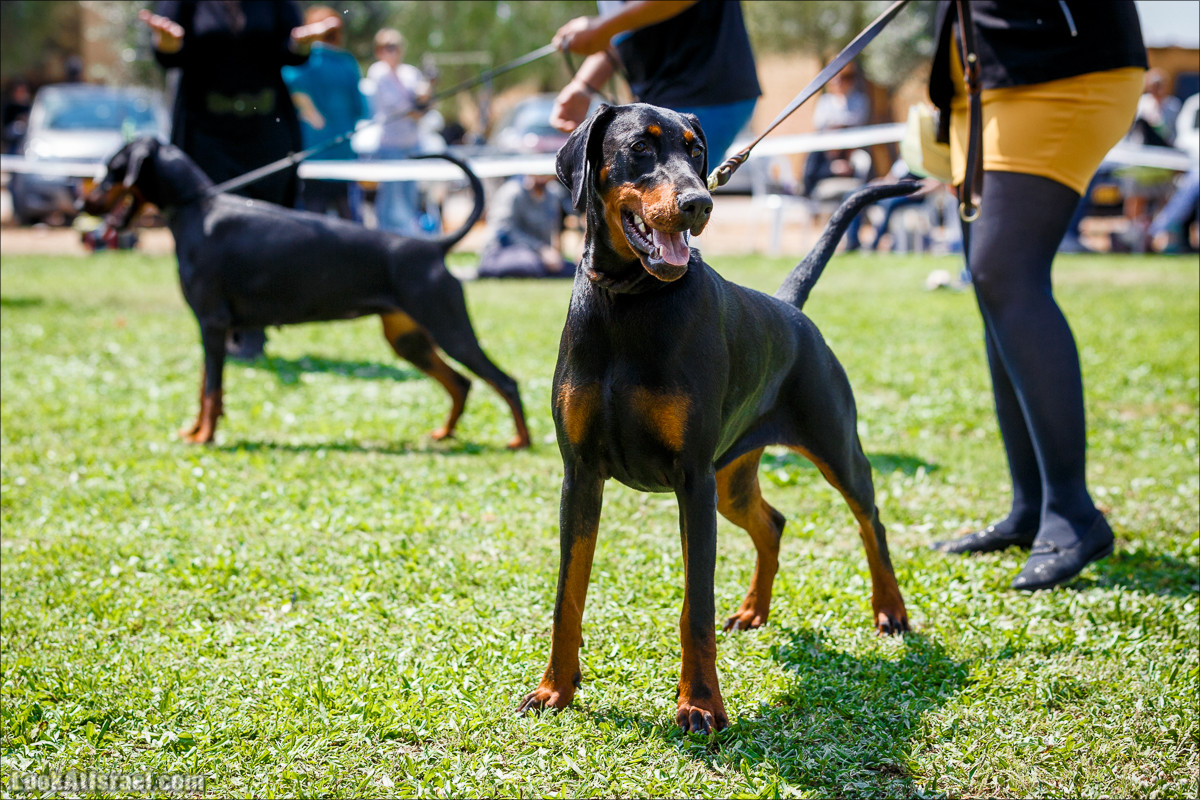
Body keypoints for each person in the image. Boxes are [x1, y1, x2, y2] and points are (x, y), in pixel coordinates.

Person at [928, 1, 1147, 590]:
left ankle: (1074, 513)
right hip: (980, 82)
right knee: (992, 286)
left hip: (1059, 67)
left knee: (1004, 272)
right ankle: (1032, 506)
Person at [140, 1, 336, 359]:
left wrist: (301, 45)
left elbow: (290, 55)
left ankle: (254, 328)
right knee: (215, 232)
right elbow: (168, 57)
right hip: (207, 133)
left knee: (266, 230)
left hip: (266, 131)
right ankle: (222, 321)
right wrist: (169, 46)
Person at [550, 0, 760, 166]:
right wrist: (583, 86)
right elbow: (627, 31)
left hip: (704, 90)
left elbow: (616, 26)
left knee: (669, 205)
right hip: (671, 94)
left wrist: (603, 27)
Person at [281, 5, 368, 221]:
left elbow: (284, 86)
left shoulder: (299, 62)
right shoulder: (348, 63)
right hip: (343, 154)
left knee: (313, 217)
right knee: (347, 215)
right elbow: (360, 109)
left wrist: (308, 111)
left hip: (310, 154)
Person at [366, 28, 430, 237]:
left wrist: (425, 96)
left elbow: (423, 105)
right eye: (386, 47)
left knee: (410, 197)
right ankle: (386, 241)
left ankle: (409, 240)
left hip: (413, 144)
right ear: (378, 50)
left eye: (395, 46)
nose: (391, 51)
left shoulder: (411, 73)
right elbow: (399, 107)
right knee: (391, 200)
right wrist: (417, 107)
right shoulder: (378, 72)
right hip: (390, 145)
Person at [476, 174, 576, 279]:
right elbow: (506, 231)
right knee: (530, 265)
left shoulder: (554, 193)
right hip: (504, 251)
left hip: (538, 255)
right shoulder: (512, 192)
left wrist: (552, 254)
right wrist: (540, 249)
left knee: (572, 269)